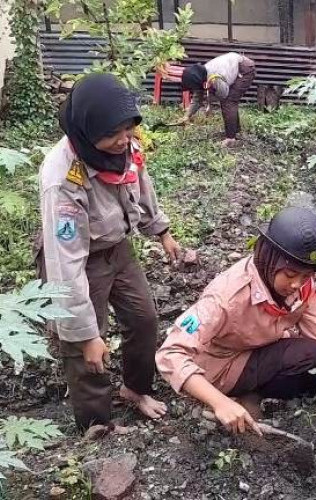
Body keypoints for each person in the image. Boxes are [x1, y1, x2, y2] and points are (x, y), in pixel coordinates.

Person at [37, 73, 182, 431]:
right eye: (113, 135)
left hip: (116, 247)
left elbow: (140, 184)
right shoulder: (62, 179)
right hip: (79, 260)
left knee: (144, 319)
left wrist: (161, 231)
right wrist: (86, 334)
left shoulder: (125, 147)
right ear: (87, 132)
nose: (123, 142)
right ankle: (97, 425)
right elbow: (65, 263)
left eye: (128, 131)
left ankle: (135, 388)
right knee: (84, 348)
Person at [156, 207, 316, 434]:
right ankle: (235, 398)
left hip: (253, 351)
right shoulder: (226, 296)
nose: (297, 284)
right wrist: (219, 402)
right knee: (308, 367)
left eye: (306, 276)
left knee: (314, 358)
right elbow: (169, 354)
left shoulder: (303, 288)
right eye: (290, 275)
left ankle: (253, 395)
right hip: (218, 368)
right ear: (270, 260)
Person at [176, 52, 256, 148]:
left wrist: (211, 94)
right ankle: (235, 130)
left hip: (245, 69)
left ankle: (231, 139)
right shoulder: (200, 75)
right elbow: (197, 99)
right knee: (229, 101)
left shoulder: (214, 77)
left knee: (229, 101)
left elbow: (223, 94)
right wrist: (187, 116)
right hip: (234, 65)